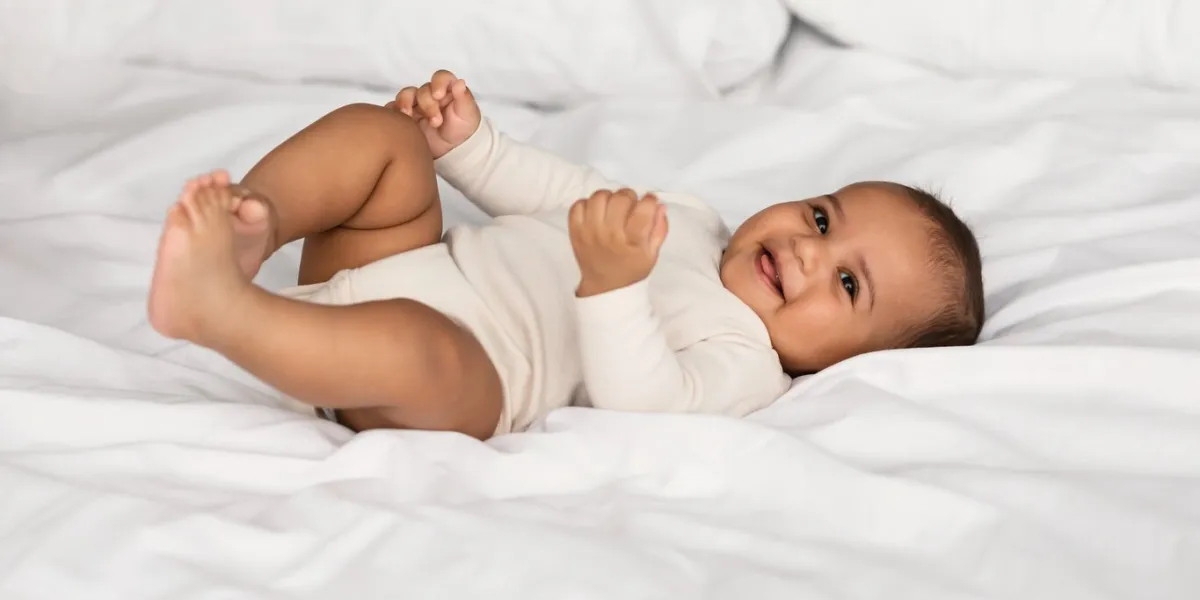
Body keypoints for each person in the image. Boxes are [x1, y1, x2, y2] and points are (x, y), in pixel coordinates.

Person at [147, 70, 985, 441]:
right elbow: (561, 193)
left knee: (422, 346)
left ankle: (221, 313)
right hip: (398, 261)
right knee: (383, 139)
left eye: (846, 282)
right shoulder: (690, 220)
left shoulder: (748, 363)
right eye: (822, 216)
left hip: (463, 380)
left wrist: (614, 289)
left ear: (846, 361)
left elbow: (647, 403)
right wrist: (468, 145)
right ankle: (254, 228)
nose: (806, 248)